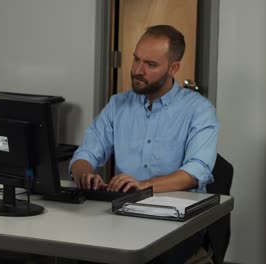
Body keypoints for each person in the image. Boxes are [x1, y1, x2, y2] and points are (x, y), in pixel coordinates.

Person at [69, 25, 219, 263]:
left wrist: (144, 185)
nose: (137, 70)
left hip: (176, 221)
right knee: (76, 251)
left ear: (173, 68)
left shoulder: (199, 110)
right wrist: (85, 173)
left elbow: (195, 172)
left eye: (150, 65)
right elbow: (85, 154)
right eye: (136, 59)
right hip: (123, 216)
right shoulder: (118, 104)